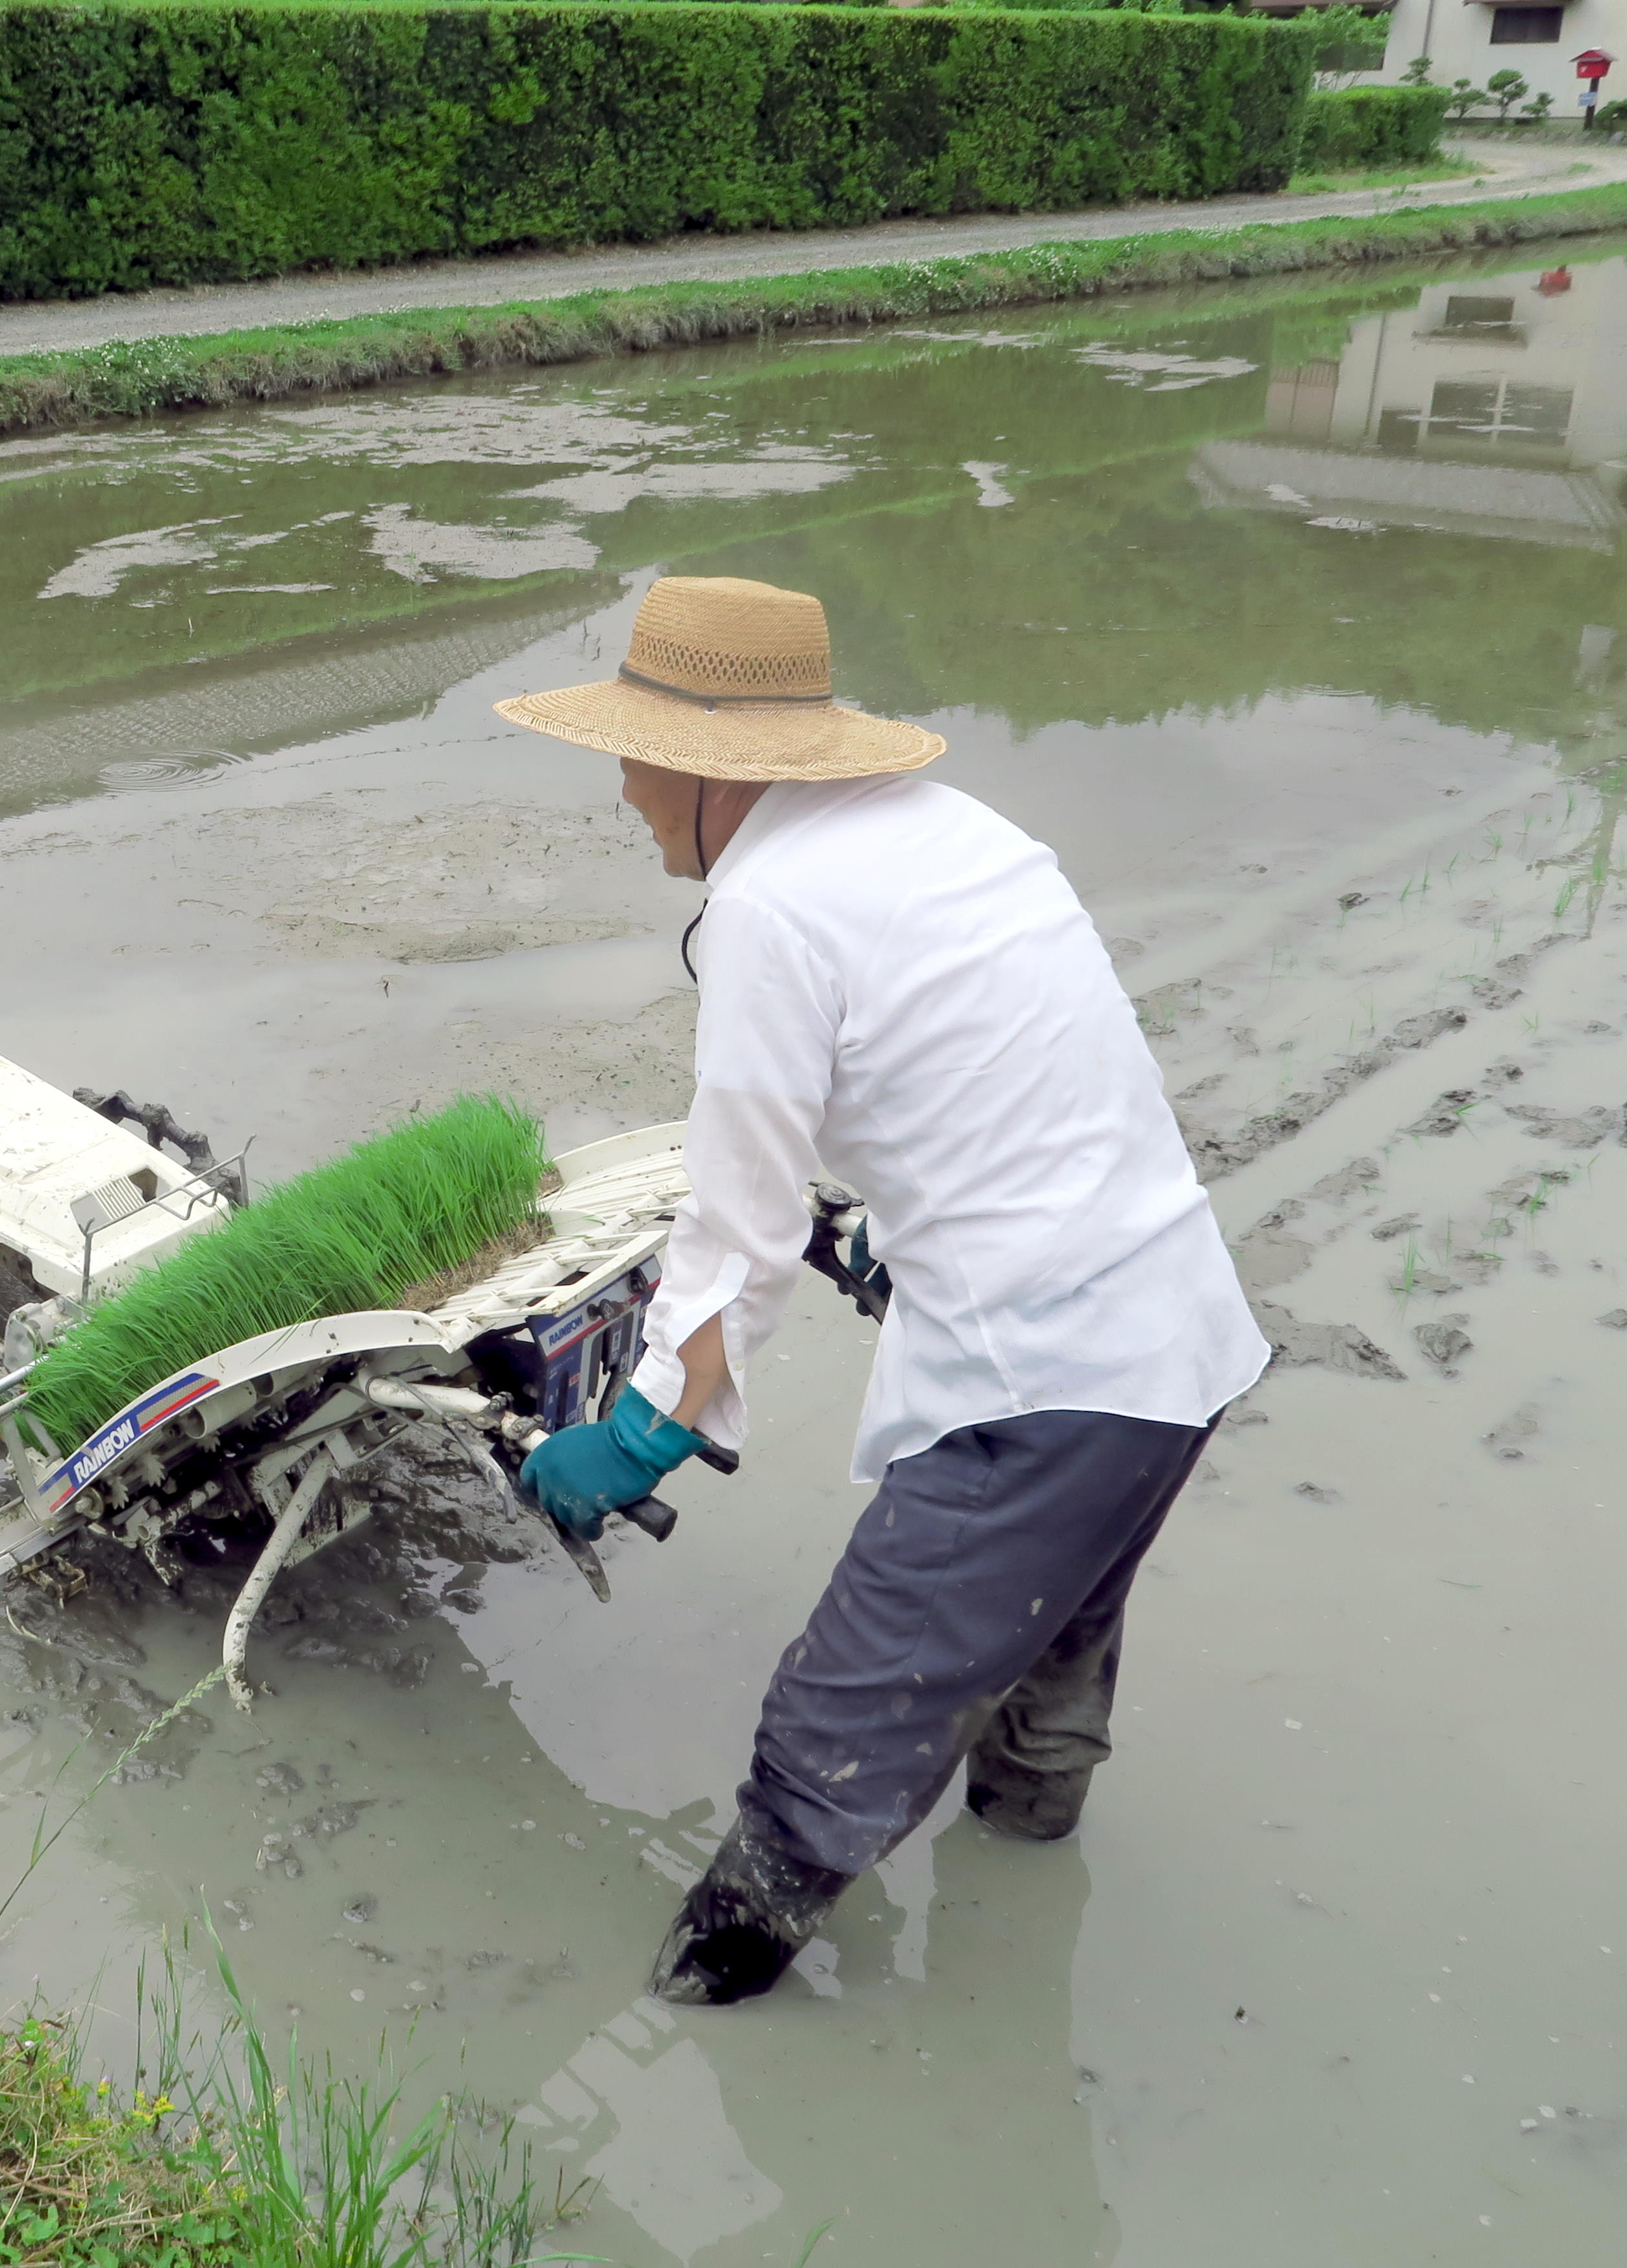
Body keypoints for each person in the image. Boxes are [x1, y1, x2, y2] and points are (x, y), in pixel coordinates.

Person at [494, 576, 1267, 2008]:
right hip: (1177, 1335)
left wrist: (640, 1431)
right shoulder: (959, 836)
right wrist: (885, 1239)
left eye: (628, 752)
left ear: (705, 763)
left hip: (1045, 1383)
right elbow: (1008, 1081)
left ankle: (718, 2011)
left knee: (833, 1731)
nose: (618, 790)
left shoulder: (771, 909)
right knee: (1047, 1652)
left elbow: (736, 1228)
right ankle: (1021, 1918)